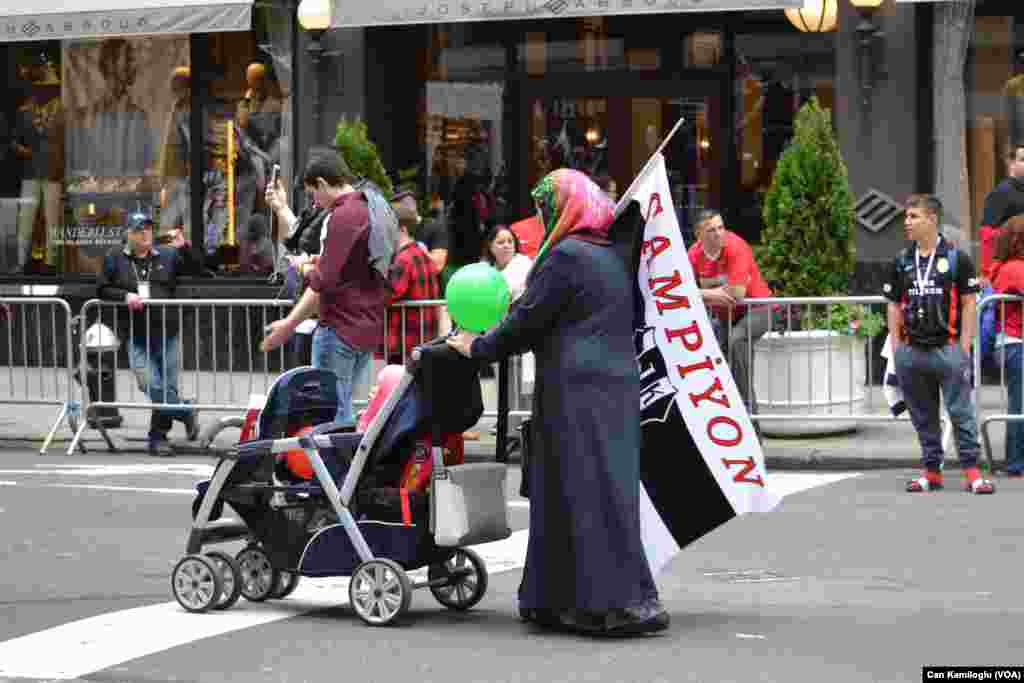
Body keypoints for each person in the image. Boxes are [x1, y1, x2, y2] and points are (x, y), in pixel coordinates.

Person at [446, 169, 668, 637]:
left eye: (547, 208)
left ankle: (599, 604)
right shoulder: (610, 253)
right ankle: (580, 598)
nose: (543, 217)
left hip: (576, 391)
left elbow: (528, 323)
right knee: (599, 492)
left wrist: (475, 347)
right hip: (613, 388)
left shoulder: (565, 256)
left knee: (575, 492)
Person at [259, 149, 389, 427]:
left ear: (321, 182)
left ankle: (336, 469)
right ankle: (342, 467)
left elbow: (323, 282)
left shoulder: (341, 215)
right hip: (366, 327)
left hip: (339, 327)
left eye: (313, 193)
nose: (315, 201)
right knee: (341, 409)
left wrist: (305, 270)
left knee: (329, 414)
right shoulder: (373, 205)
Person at [884, 194, 995, 494]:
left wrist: (965, 346)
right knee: (923, 416)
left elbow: (970, 303)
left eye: (913, 217)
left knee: (961, 413)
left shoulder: (958, 259)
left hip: (948, 350)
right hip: (911, 352)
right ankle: (931, 472)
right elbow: (893, 305)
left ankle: (973, 472)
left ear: (932, 219)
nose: (907, 222)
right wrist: (897, 347)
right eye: (906, 217)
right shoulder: (901, 261)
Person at [97, 212, 202, 456]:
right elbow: (101, 288)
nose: (145, 233)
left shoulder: (168, 254)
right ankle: (186, 411)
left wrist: (184, 247)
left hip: (168, 332)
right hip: (137, 334)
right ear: (128, 234)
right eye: (139, 229)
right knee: (150, 384)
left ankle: (158, 438)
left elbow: (200, 270)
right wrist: (125, 296)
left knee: (167, 386)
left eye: (148, 229)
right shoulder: (115, 257)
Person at [688, 209, 773, 423]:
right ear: (699, 234)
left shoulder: (736, 246)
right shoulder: (694, 255)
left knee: (736, 341)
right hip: (725, 316)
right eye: (711, 230)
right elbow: (683, 291)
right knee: (719, 367)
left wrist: (699, 294)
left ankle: (750, 424)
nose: (718, 233)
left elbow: (736, 294)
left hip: (759, 309)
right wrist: (713, 294)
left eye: (720, 227)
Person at [384, 202, 440, 364]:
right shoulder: (422, 254)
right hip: (422, 338)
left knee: (400, 386)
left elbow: (388, 294)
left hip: (405, 340)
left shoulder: (403, 259)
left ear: (402, 229)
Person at [991, 214, 1024, 478]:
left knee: (1019, 404)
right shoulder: (1016, 268)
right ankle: (1015, 462)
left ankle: (1015, 460)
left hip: (1011, 343)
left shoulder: (1007, 267)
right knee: (1019, 406)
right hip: (1016, 343)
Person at [979, 144, 1024, 282]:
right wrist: (987, 273)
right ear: (1010, 163)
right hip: (1010, 269)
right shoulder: (1001, 193)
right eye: (1023, 159)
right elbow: (988, 234)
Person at [390, 190, 448, 274]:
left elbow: (437, 266)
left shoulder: (434, 226)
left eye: (410, 201)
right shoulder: (393, 229)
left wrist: (415, 247)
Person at [483, 224, 532, 301]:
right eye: (500, 242)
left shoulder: (523, 263)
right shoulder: (485, 267)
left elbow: (504, 294)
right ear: (490, 247)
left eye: (510, 241)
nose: (506, 245)